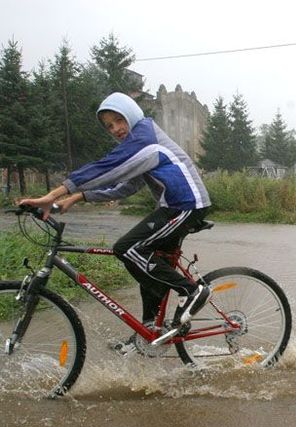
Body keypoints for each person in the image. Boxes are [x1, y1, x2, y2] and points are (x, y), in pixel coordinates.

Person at [19, 92, 212, 351]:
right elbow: (124, 187)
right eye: (109, 126)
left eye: (119, 120)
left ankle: (191, 291)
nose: (116, 129)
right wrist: (77, 197)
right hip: (174, 205)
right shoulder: (140, 145)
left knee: (127, 248)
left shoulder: (145, 136)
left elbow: (105, 168)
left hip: (187, 204)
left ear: (131, 115)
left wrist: (53, 194)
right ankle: (149, 332)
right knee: (148, 266)